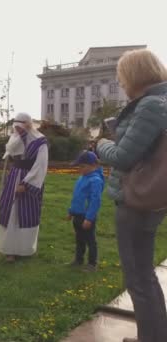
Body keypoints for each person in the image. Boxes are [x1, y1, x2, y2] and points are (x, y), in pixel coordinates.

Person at [96, 49, 167, 342]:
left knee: (138, 278)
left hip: (135, 200)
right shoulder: (160, 102)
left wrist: (100, 145)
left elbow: (124, 157)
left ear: (135, 75)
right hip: (152, 198)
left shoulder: (150, 106)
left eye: (122, 77)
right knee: (144, 274)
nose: (121, 83)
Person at [0, 112, 49, 262]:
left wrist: (26, 184)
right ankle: (9, 250)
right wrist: (18, 136)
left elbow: (41, 166)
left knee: (26, 213)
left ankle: (24, 249)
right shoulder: (15, 138)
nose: (17, 130)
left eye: (20, 127)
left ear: (28, 125)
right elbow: (10, 152)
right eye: (16, 127)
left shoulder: (40, 141)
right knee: (10, 212)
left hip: (29, 179)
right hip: (13, 177)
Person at [67, 151, 104, 272]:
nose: (80, 169)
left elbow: (95, 201)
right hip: (77, 215)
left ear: (93, 165)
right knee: (79, 239)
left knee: (90, 240)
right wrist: (71, 211)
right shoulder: (82, 178)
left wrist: (89, 218)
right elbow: (77, 197)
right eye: (79, 166)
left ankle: (92, 264)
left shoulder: (96, 180)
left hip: (87, 217)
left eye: (83, 166)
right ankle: (78, 260)